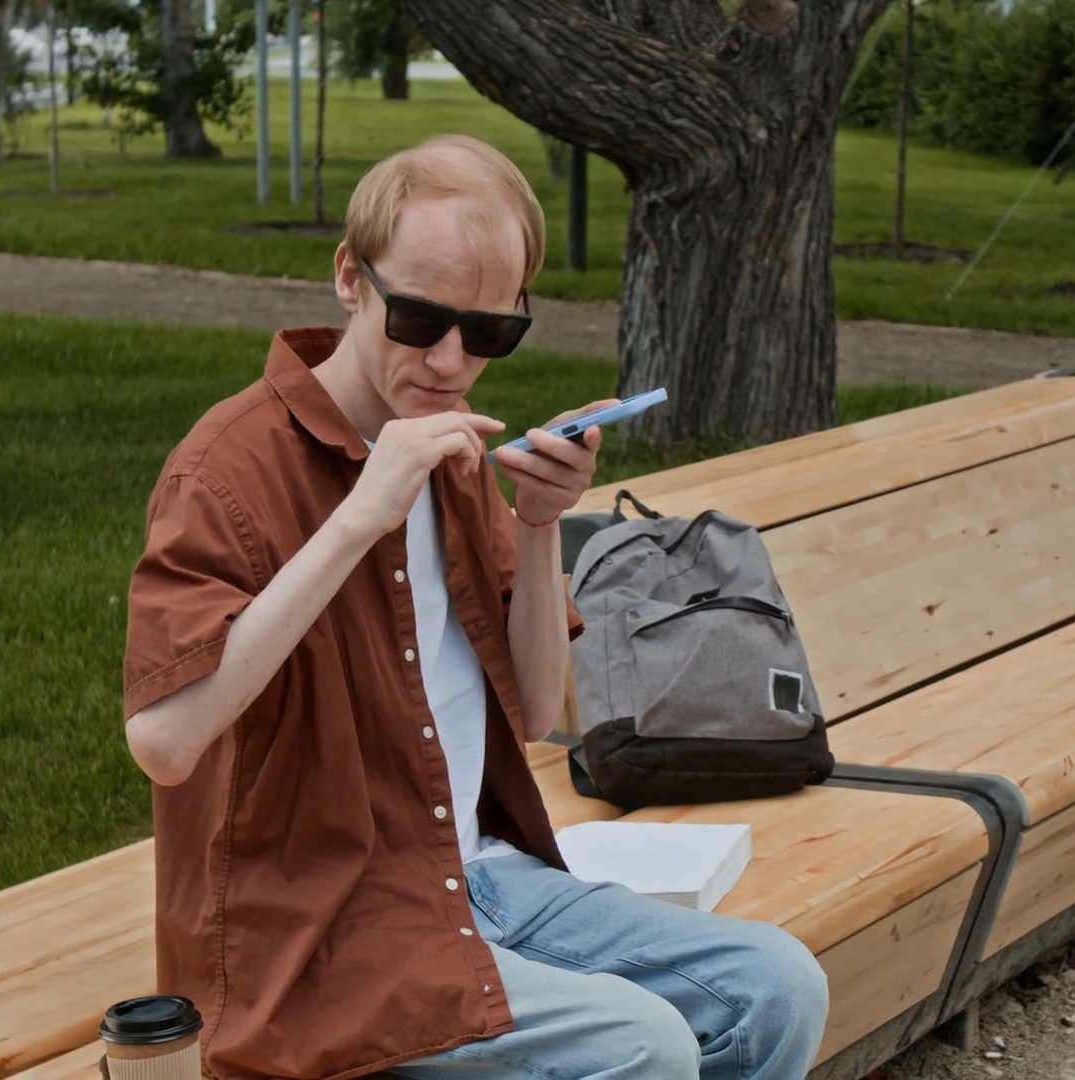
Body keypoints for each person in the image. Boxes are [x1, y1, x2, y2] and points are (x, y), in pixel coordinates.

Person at [120, 135, 829, 1080]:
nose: (451, 362)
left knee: (777, 989)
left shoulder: (451, 460)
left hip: (477, 877)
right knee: (643, 1048)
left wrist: (538, 522)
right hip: (318, 933)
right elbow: (164, 741)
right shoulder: (227, 470)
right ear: (350, 278)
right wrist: (357, 520)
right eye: (420, 319)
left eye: (490, 332)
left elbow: (533, 711)